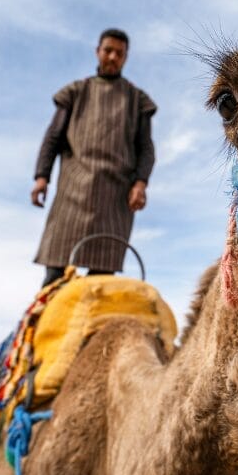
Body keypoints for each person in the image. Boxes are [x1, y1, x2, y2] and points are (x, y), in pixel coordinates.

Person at [31, 28, 156, 287]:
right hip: (72, 192)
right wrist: (42, 177)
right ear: (98, 51)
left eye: (119, 53)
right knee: (55, 278)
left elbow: (146, 148)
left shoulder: (137, 99)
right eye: (108, 51)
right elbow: (52, 138)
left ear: (125, 57)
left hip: (115, 198)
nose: (112, 57)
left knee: (100, 284)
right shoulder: (76, 92)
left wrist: (140, 183)